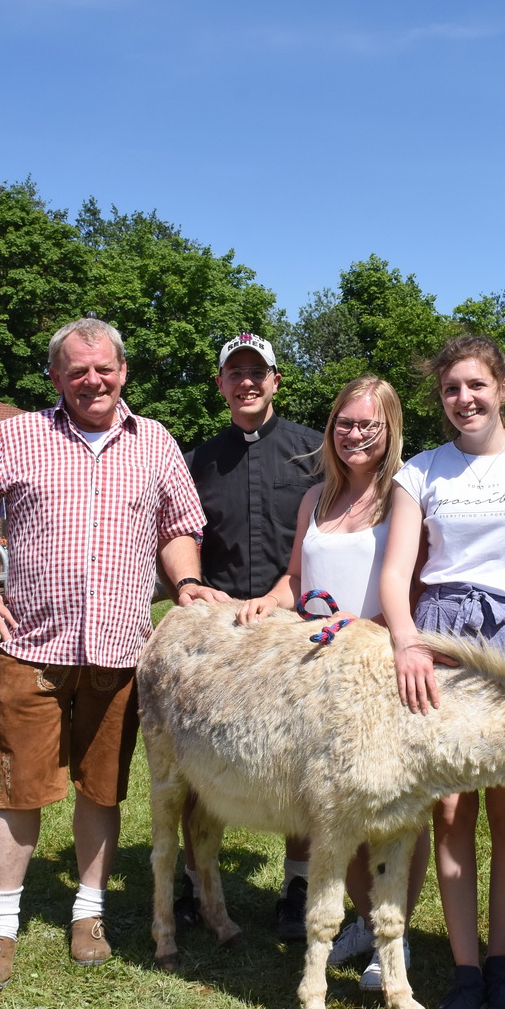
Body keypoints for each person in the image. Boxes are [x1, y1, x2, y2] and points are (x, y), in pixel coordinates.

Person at [0, 316, 227, 991]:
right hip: (34, 648)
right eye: (77, 371)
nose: (92, 381)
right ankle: (1, 926)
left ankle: (88, 912)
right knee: (20, 792)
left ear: (122, 370)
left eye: (103, 369)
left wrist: (185, 581)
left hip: (121, 652)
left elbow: (179, 526)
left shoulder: (155, 442)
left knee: (103, 789)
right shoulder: (17, 437)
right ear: (56, 378)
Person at [379, 334, 505, 1009]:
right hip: (443, 638)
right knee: (451, 811)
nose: (463, 399)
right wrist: (409, 641)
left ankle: (502, 962)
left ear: (504, 387)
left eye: (475, 385)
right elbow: (397, 571)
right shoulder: (420, 472)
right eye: (450, 390)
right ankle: (464, 971)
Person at [235, 375, 430, 990]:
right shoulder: (314, 499)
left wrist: (369, 634)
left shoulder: (400, 498)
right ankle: (366, 922)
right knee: (330, 810)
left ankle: (392, 937)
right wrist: (267, 601)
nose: (355, 434)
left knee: (393, 816)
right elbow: (297, 577)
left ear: (390, 429)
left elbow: (406, 585)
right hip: (316, 675)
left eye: (368, 424)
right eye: (345, 423)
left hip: (376, 671)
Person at [185, 331, 324, 940]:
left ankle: (297, 884)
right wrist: (187, 583)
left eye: (256, 372)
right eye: (233, 373)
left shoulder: (316, 452)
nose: (245, 382)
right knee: (196, 757)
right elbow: (179, 532)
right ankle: (194, 883)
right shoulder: (198, 460)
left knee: (301, 759)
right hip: (217, 636)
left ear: (275, 380)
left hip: (294, 630)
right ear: (220, 384)